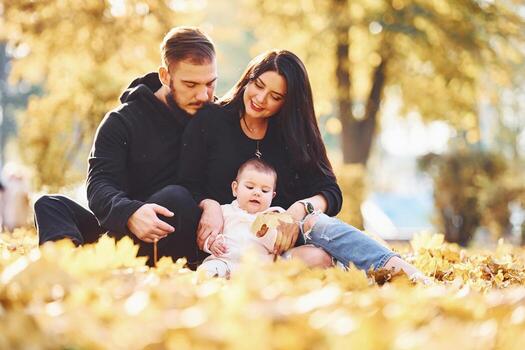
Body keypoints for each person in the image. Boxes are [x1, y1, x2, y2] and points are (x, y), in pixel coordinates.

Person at [33, 27, 217, 265]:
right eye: (190, 85)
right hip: (127, 232)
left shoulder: (215, 118)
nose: (203, 95)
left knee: (176, 197)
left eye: (211, 83)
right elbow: (99, 185)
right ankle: (69, 268)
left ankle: (100, 265)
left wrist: (211, 204)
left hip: (185, 233)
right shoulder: (122, 121)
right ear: (164, 76)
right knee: (49, 204)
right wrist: (130, 213)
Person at [179, 49, 343, 266]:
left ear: (288, 102)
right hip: (224, 248)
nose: (260, 98)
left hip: (276, 252)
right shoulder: (211, 120)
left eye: (275, 97)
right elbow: (186, 183)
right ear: (248, 78)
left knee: (321, 234)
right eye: (258, 85)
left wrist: (297, 211)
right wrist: (210, 205)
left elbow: (331, 192)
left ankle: (391, 267)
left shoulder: (293, 134)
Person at [199, 158, 427, 282]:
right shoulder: (224, 210)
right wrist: (211, 244)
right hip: (228, 260)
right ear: (235, 188)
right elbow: (209, 237)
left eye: (264, 190)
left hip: (264, 263)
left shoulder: (274, 214)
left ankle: (371, 270)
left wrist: (277, 236)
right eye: (250, 187)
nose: (257, 193)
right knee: (211, 269)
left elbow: (281, 243)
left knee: (310, 257)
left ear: (273, 196)